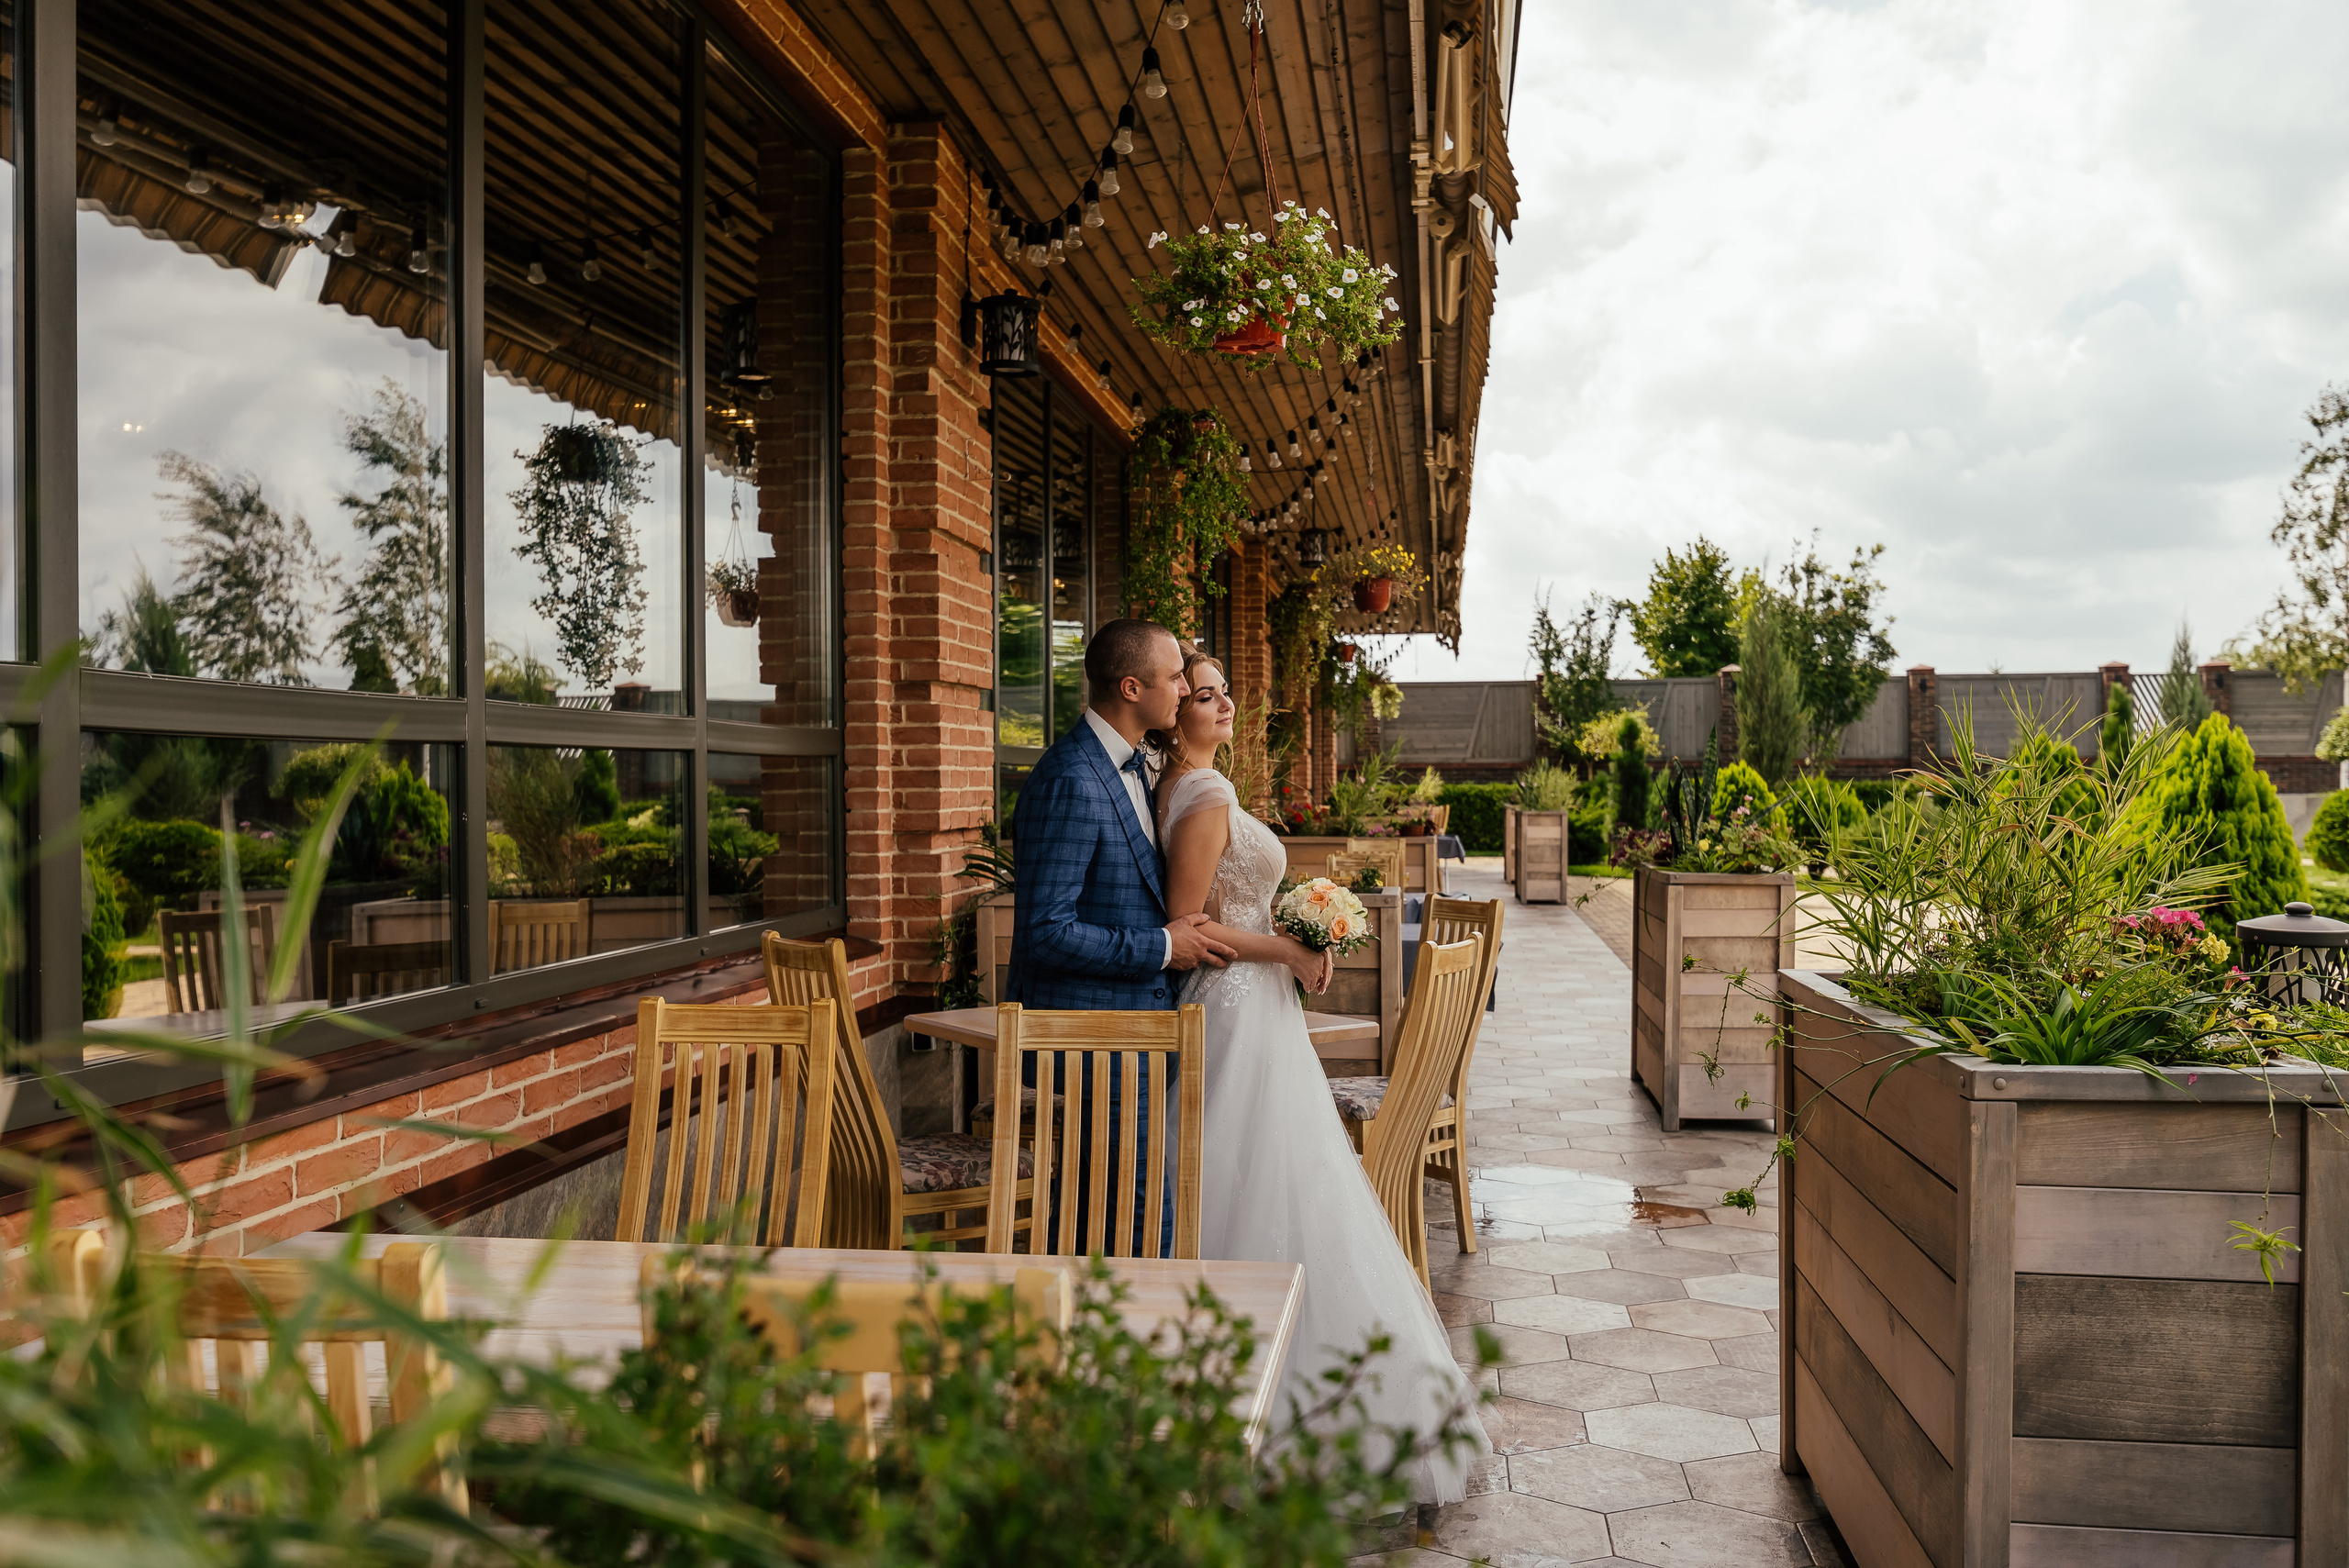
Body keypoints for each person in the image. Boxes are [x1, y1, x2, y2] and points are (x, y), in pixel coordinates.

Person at [1153, 643, 1490, 1502]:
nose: (1223, 703)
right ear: (1171, 712)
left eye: (1226, 690)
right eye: (1203, 694)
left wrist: (1295, 940)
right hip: (1231, 1012)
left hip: (1258, 1009)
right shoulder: (1197, 796)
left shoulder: (1205, 788)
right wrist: (1291, 949)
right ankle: (1248, 1416)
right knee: (1251, 1191)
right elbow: (1188, 925)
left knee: (1294, 1187)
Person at [1004, 618, 1238, 1256]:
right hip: (1093, 1041)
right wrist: (1164, 948)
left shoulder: (1140, 766)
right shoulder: (1072, 779)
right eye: (1174, 677)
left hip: (1132, 1039)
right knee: (1125, 1223)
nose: (1187, 686)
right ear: (1132, 687)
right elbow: (1044, 932)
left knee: (1121, 1217)